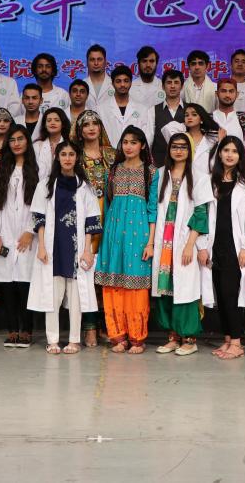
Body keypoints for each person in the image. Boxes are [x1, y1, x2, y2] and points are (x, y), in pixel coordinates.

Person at [29, 141, 102, 354]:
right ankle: (52, 339)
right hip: (53, 249)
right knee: (52, 296)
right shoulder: (45, 185)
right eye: (63, 154)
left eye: (71, 154)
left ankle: (74, 340)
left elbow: (91, 221)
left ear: (77, 157)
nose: (67, 158)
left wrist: (87, 250)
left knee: (77, 297)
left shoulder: (85, 187)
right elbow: (39, 218)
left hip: (76, 249)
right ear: (57, 157)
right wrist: (41, 246)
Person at [95, 126, 159, 354]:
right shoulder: (112, 171)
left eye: (133, 142)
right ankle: (117, 336)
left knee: (136, 288)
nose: (129, 146)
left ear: (142, 145)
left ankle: (137, 337)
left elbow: (153, 209)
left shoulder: (151, 173)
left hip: (139, 234)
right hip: (113, 233)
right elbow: (108, 205)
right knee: (113, 285)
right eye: (125, 142)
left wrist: (150, 242)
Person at [152, 133, 212, 356]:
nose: (178, 150)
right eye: (174, 146)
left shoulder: (199, 176)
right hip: (163, 240)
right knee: (165, 288)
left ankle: (189, 338)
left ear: (190, 150)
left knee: (185, 291)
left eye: (183, 147)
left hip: (184, 241)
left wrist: (190, 244)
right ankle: (172, 337)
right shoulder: (160, 174)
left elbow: (201, 213)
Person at [200, 136, 245, 360]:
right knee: (221, 294)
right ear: (219, 154)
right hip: (215, 244)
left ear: (240, 155)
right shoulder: (210, 180)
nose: (229, 155)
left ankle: (236, 342)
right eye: (226, 150)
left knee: (231, 294)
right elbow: (202, 214)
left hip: (236, 246)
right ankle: (227, 340)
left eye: (234, 151)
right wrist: (202, 246)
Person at [0, 125, 40, 348]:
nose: (16, 144)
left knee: (25, 285)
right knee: (7, 287)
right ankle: (12, 330)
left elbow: (42, 203)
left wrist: (30, 230)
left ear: (27, 141)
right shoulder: (1, 168)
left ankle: (26, 330)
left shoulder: (37, 168)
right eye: (12, 140)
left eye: (20, 139)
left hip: (28, 236)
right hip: (5, 234)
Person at [74, 110, 117, 347]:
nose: (91, 128)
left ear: (101, 128)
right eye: (86, 124)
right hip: (84, 218)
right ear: (79, 131)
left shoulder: (112, 154)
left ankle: (108, 325)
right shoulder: (74, 155)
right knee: (86, 271)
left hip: (110, 216)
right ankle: (89, 327)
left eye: (95, 123)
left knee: (107, 270)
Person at [99, 64, 153, 146]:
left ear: (131, 83)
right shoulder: (101, 109)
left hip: (136, 153)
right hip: (109, 153)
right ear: (112, 83)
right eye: (118, 81)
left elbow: (147, 137)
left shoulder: (142, 109)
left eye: (126, 81)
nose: (122, 85)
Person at [150, 69, 186, 168]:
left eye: (176, 82)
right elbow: (149, 140)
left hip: (185, 166)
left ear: (182, 86)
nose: (173, 86)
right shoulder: (153, 110)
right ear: (163, 86)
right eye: (169, 82)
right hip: (159, 164)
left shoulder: (191, 110)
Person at [211, 79, 245, 155]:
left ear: (237, 94)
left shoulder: (244, 120)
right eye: (223, 91)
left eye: (231, 91)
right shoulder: (209, 119)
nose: (227, 95)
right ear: (216, 93)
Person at [34, 108, 72, 182]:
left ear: (63, 124)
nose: (52, 123)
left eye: (57, 120)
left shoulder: (70, 145)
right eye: (49, 120)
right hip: (40, 186)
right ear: (45, 125)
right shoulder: (37, 146)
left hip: (64, 185)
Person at [182, 103, 220, 175]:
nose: (189, 117)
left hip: (207, 178)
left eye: (194, 114)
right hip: (186, 178)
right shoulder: (180, 139)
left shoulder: (212, 140)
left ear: (201, 119)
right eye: (186, 115)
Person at [84, 44, 114, 110]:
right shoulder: (82, 85)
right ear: (87, 62)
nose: (96, 63)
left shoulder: (114, 84)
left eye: (99, 59)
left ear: (105, 62)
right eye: (92, 59)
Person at [230, 49, 245, 113]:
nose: (240, 64)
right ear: (231, 66)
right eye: (236, 61)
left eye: (244, 62)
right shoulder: (220, 86)